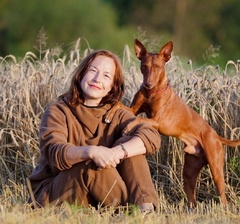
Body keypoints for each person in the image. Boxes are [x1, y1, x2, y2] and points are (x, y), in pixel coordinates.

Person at [28, 49, 161, 212]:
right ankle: (129, 212)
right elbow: (54, 152)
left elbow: (151, 135)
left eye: (106, 76)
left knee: (130, 145)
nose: (97, 79)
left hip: (101, 195)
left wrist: (118, 152)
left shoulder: (116, 113)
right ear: (81, 74)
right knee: (88, 165)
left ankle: (144, 208)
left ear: (112, 86)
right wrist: (92, 152)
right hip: (56, 192)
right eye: (93, 71)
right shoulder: (58, 111)